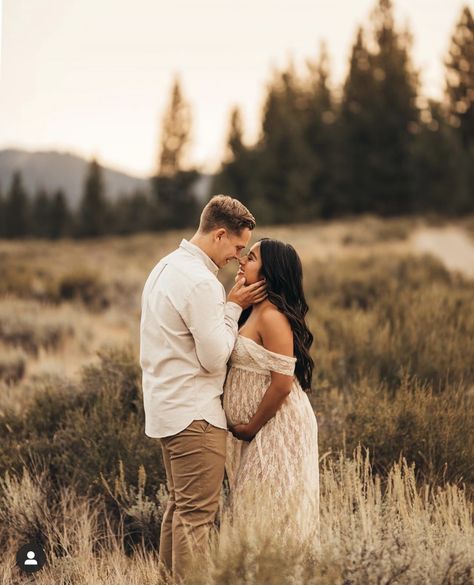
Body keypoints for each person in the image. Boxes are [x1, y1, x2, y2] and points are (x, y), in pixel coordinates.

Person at [139, 195, 267, 582]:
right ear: (220, 234)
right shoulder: (201, 283)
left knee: (180, 511)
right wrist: (231, 307)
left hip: (166, 409)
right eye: (237, 247)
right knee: (196, 519)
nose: (237, 257)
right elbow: (215, 358)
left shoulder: (166, 267)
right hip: (195, 416)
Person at [223, 238, 320, 542]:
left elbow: (282, 384)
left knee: (270, 512)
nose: (241, 261)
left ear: (268, 274)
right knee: (253, 509)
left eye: (250, 258)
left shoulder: (272, 317)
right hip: (258, 429)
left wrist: (250, 427)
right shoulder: (251, 309)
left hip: (275, 426)